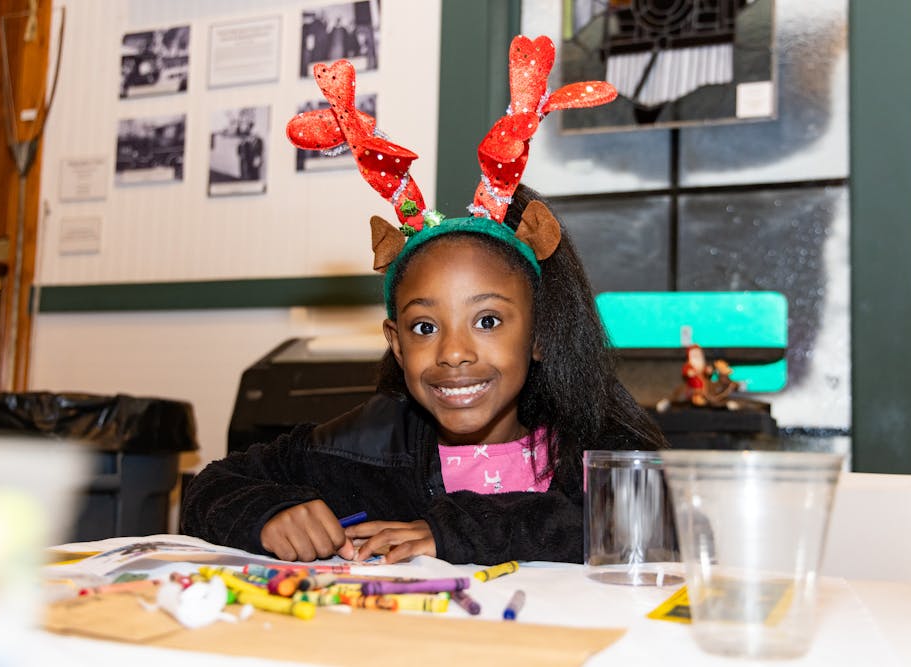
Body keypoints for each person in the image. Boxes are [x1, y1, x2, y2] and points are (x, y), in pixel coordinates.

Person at [181, 35, 667, 566]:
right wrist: (267, 514)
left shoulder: (590, 448)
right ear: (395, 344)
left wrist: (460, 531)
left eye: (486, 319)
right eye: (424, 328)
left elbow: (656, 524)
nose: (453, 353)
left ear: (542, 333)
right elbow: (209, 489)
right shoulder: (364, 446)